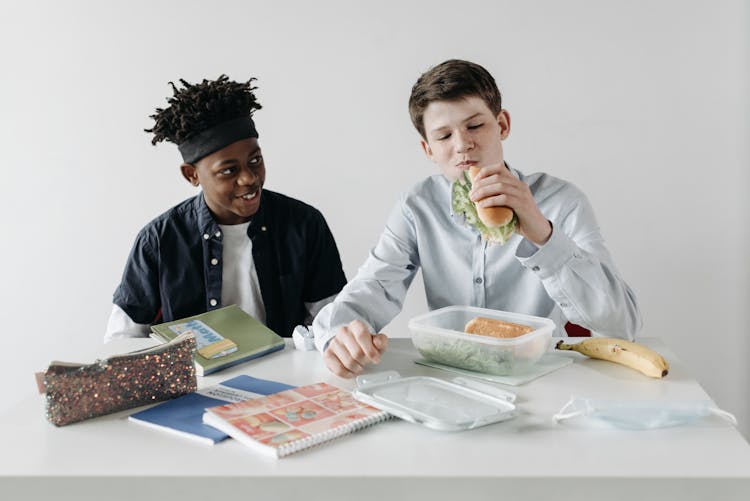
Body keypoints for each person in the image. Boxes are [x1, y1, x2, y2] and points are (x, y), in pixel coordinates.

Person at [313, 59, 642, 377]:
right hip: (449, 374)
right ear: (429, 149)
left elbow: (620, 326)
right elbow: (374, 286)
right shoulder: (416, 206)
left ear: (502, 126)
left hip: (538, 374)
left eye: (475, 126)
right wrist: (338, 336)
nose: (463, 145)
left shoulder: (562, 201)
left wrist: (542, 232)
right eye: (444, 136)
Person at [105, 75, 346, 342]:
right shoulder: (159, 241)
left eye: (255, 160)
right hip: (197, 381)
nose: (249, 178)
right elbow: (123, 341)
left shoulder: (304, 224)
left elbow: (333, 325)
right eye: (229, 170)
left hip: (289, 379)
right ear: (191, 175)